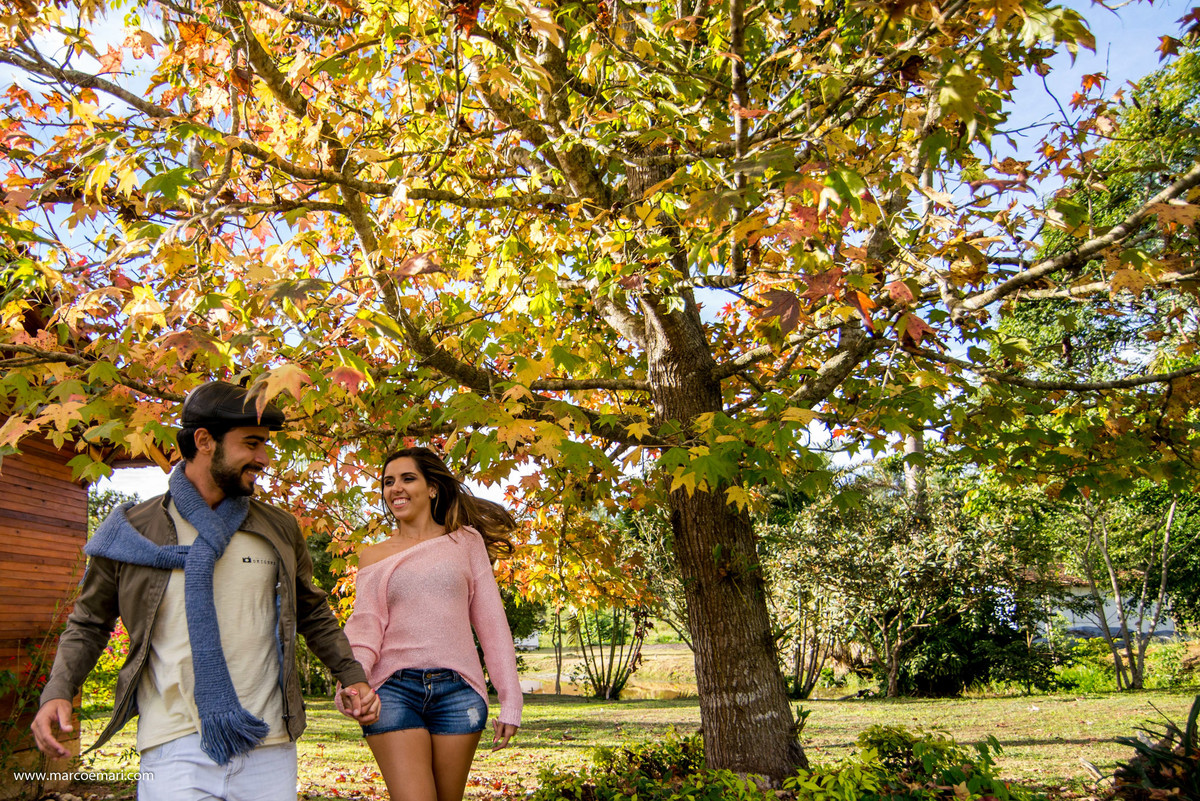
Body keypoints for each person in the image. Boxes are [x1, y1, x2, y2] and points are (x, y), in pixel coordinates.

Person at [31, 380, 380, 801]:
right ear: (204, 441)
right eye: (251, 444)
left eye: (265, 445)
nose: (264, 459)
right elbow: (88, 623)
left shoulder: (279, 528)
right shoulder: (131, 531)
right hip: (172, 744)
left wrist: (352, 676)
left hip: (268, 743)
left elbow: (312, 612)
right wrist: (59, 690)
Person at [340, 446, 522, 801]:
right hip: (392, 691)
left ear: (432, 487)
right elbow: (365, 628)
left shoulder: (465, 541)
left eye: (408, 478)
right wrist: (352, 682)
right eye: (388, 482)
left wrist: (510, 699)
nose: (396, 488)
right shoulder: (373, 555)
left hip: (459, 692)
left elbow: (492, 624)